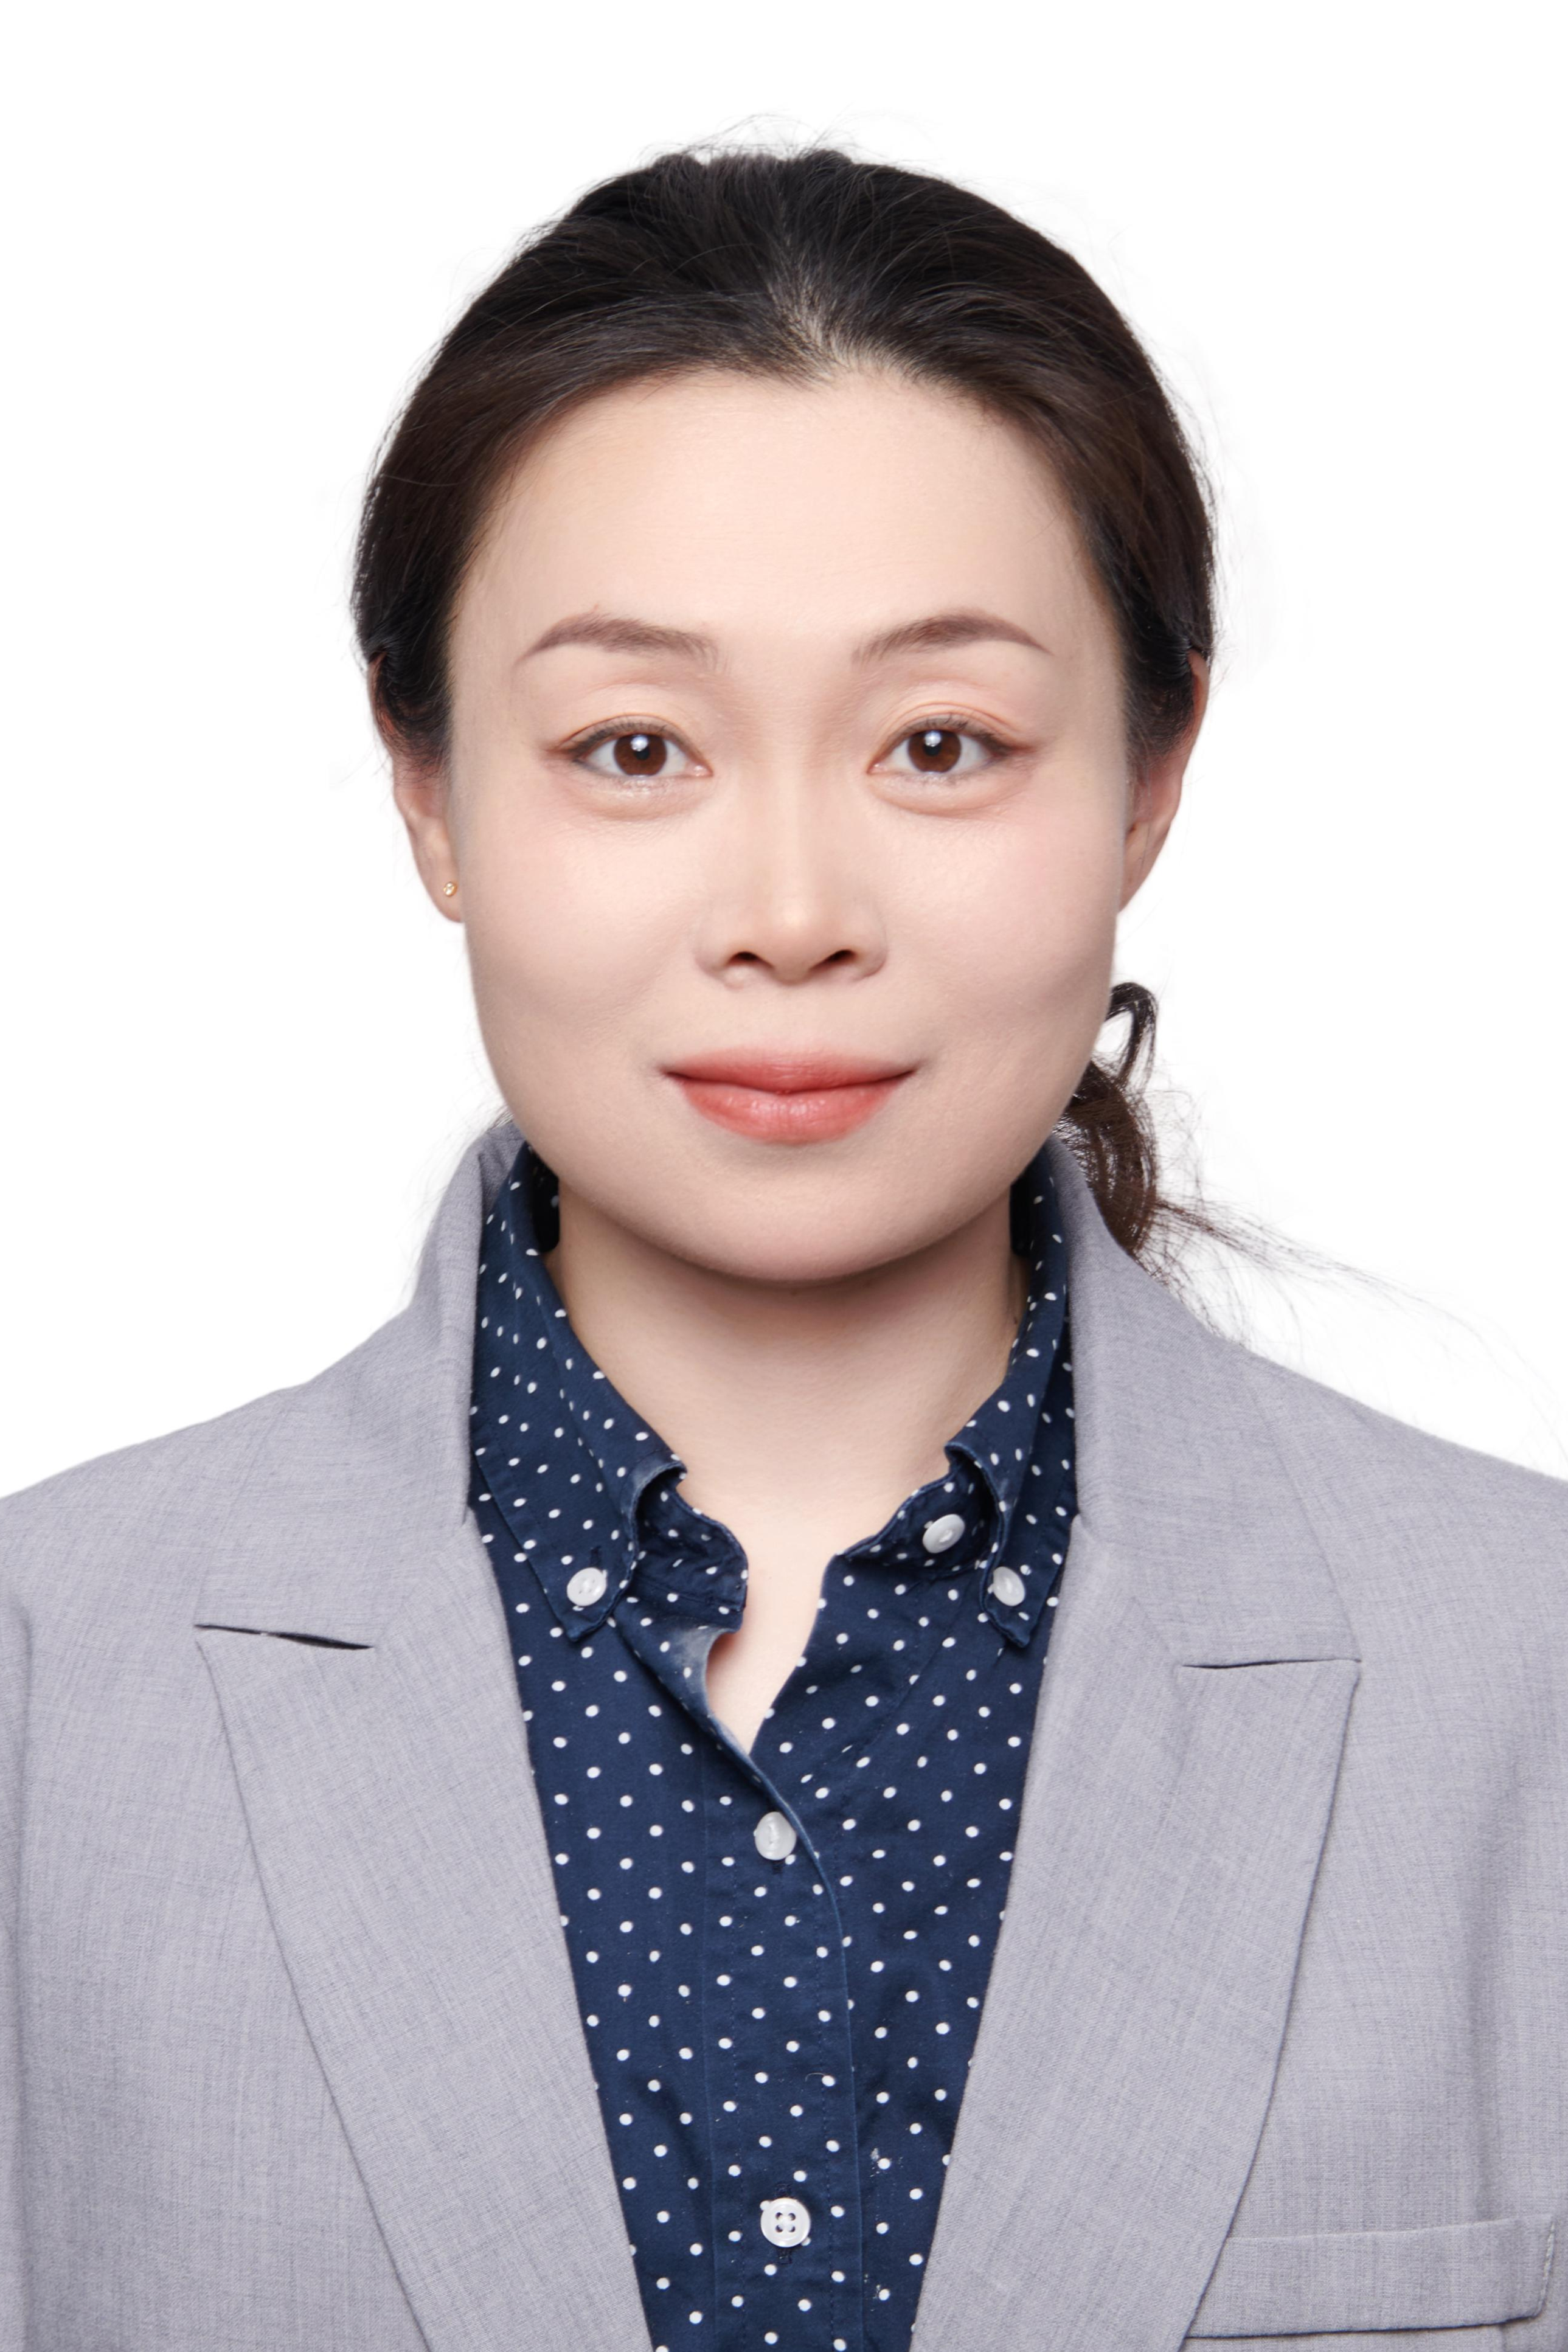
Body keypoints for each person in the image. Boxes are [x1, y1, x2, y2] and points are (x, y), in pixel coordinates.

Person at [2, 145, 1564, 2352]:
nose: (795, 912)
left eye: (943, 744)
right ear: (429, 790)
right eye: (635, 747)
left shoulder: (1528, 1680)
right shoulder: (46, 1682)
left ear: (1149, 777)